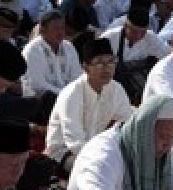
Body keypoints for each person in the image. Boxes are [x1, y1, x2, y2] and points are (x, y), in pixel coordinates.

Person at [43, 38, 133, 179]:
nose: (106, 68)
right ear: (85, 68)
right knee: (101, 173)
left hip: (96, 150)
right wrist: (103, 159)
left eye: (110, 61)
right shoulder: (72, 93)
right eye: (99, 63)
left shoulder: (116, 89)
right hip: (64, 153)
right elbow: (74, 141)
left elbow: (128, 124)